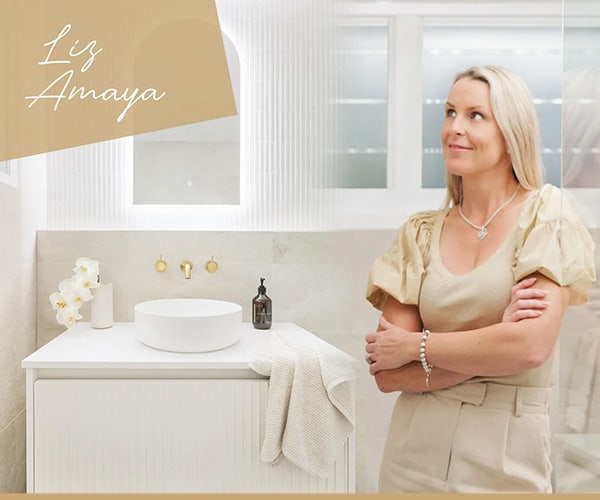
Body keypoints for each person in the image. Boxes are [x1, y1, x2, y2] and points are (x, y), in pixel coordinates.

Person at [364, 65, 596, 493]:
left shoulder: (546, 215)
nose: (455, 127)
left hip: (507, 456)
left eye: (475, 115)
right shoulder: (420, 233)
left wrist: (419, 348)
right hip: (412, 453)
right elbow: (389, 374)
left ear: (511, 132)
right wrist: (492, 347)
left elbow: (529, 347)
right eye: (450, 112)